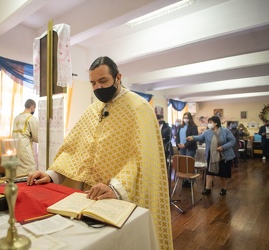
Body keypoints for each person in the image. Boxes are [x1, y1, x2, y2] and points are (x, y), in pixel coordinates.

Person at [27, 56, 172, 249]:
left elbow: (142, 159)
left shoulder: (139, 108)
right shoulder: (93, 109)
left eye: (103, 81)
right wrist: (50, 174)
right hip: (88, 199)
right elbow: (75, 149)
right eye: (93, 83)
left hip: (120, 200)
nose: (98, 88)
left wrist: (115, 188)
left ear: (118, 77)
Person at [187, 116, 235, 196]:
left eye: (210, 122)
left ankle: (223, 188)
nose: (209, 124)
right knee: (209, 173)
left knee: (223, 174)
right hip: (211, 155)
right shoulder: (207, 132)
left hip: (224, 155)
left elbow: (232, 141)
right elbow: (200, 137)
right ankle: (208, 189)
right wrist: (192, 137)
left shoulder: (225, 131)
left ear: (216, 123)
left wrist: (223, 147)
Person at [12, 99, 39, 176]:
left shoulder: (16, 118)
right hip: (25, 148)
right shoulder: (31, 119)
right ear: (32, 107)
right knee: (30, 168)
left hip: (15, 148)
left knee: (18, 169)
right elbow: (37, 137)